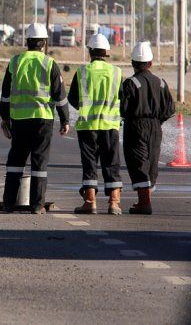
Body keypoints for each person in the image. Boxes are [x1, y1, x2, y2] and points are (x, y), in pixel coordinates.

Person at [0, 23, 70, 214]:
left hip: (19, 120)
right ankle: (37, 205)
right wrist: (65, 120)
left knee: (15, 161)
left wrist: (5, 118)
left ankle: (8, 203)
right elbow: (60, 96)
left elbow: (5, 95)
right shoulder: (49, 64)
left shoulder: (15, 62)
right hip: (42, 119)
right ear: (44, 43)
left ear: (27, 41)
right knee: (39, 163)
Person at [68, 33, 124, 215]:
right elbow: (123, 99)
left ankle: (90, 202)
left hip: (87, 126)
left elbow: (73, 99)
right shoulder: (116, 72)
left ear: (90, 51)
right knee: (112, 163)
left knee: (89, 164)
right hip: (110, 126)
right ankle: (114, 203)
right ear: (106, 52)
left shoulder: (82, 72)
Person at [121, 42, 175, 215]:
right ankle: (144, 200)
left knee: (138, 162)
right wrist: (157, 121)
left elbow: (123, 109)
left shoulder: (130, 83)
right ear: (150, 63)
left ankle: (144, 203)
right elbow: (170, 110)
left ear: (133, 63)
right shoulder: (161, 83)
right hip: (155, 126)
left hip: (136, 125)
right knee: (151, 162)